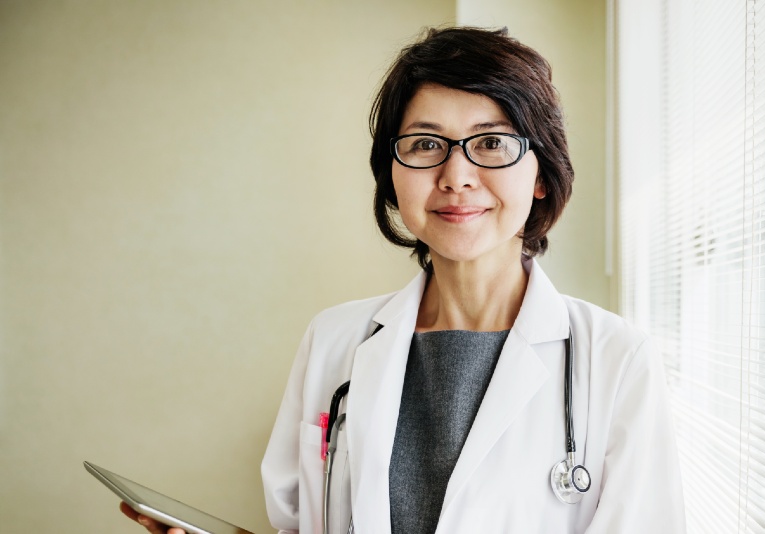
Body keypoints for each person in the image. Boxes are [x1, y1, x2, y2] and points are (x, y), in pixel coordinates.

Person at [124, 26, 685, 534]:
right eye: (425, 144)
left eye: (491, 142)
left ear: (541, 174)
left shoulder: (617, 360)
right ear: (392, 178)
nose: (456, 176)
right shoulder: (334, 340)